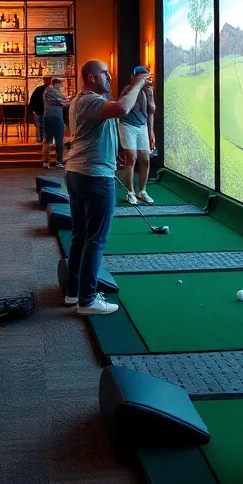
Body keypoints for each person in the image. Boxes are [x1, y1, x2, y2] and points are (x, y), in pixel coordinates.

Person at [64, 60, 152, 316]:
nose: (110, 76)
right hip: (94, 177)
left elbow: (111, 115)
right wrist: (137, 84)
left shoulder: (84, 100)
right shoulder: (91, 101)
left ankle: (73, 292)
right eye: (104, 73)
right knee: (96, 240)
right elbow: (124, 108)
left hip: (78, 173)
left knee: (80, 236)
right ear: (91, 78)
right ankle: (88, 300)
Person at [117, 65, 156, 204]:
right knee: (131, 158)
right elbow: (123, 107)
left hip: (142, 126)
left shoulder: (148, 90)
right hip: (127, 125)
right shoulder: (128, 89)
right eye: (140, 76)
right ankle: (130, 191)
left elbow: (151, 111)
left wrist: (151, 132)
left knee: (145, 160)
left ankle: (142, 191)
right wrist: (139, 86)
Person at [41, 77, 70, 168]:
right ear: (56, 84)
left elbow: (60, 99)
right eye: (60, 85)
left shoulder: (46, 91)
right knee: (59, 140)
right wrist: (73, 102)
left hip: (47, 117)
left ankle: (45, 162)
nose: (61, 87)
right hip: (56, 117)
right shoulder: (54, 91)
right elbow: (62, 104)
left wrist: (65, 98)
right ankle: (59, 162)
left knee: (46, 141)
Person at [28, 76, 50, 143]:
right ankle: (43, 140)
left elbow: (32, 100)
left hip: (38, 110)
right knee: (43, 126)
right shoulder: (46, 90)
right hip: (42, 111)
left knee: (40, 126)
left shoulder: (39, 89)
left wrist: (32, 110)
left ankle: (40, 140)